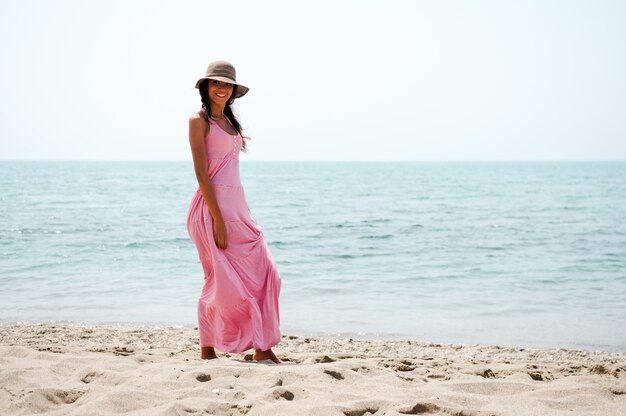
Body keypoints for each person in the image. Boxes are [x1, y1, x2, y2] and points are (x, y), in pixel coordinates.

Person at [186, 60, 281, 363]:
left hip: (238, 209)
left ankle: (261, 346)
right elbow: (202, 173)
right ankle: (209, 348)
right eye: (216, 83)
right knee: (220, 281)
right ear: (206, 87)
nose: (222, 89)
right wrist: (218, 220)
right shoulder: (198, 121)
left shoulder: (230, 122)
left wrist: (240, 215)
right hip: (211, 209)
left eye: (227, 84)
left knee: (267, 274)